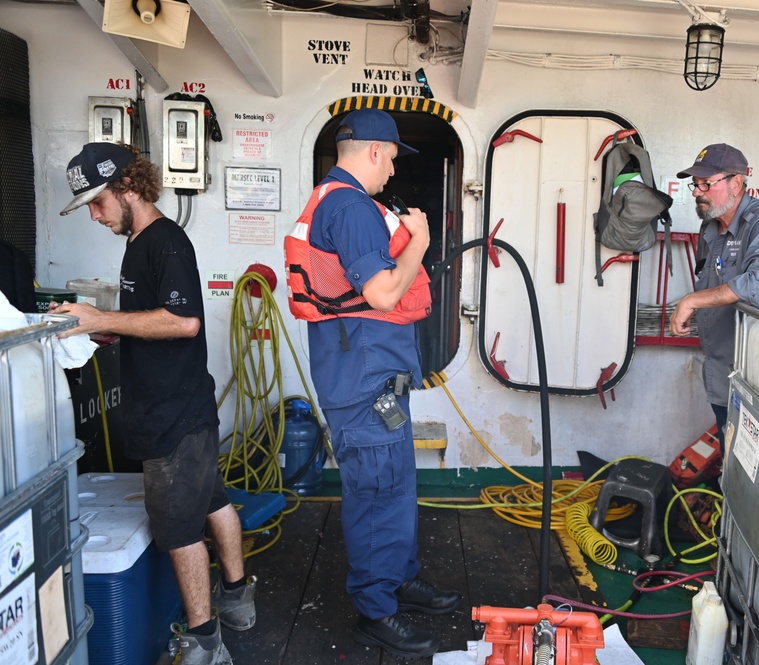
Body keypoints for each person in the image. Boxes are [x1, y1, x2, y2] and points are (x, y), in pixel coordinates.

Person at [54, 143, 255, 665]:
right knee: (212, 500)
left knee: (177, 529)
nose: (95, 216)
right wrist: (114, 334)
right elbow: (156, 320)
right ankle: (237, 599)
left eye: (98, 203)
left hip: (172, 416)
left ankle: (206, 640)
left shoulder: (164, 242)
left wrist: (99, 319)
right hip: (186, 408)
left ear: (127, 188)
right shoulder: (140, 242)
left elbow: (184, 321)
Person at [286, 108, 460, 659]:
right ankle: (375, 609)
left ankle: (399, 577)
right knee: (375, 487)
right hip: (362, 378)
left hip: (373, 373)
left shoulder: (336, 201)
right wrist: (420, 240)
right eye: (391, 161)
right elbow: (384, 293)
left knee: (395, 480)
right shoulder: (351, 206)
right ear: (375, 152)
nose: (391, 175)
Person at [670, 144, 759, 453]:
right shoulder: (710, 227)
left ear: (736, 183)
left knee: (752, 465)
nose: (697, 192)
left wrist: (692, 300)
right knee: (732, 459)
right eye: (695, 185)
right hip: (721, 368)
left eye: (706, 184)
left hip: (756, 375)